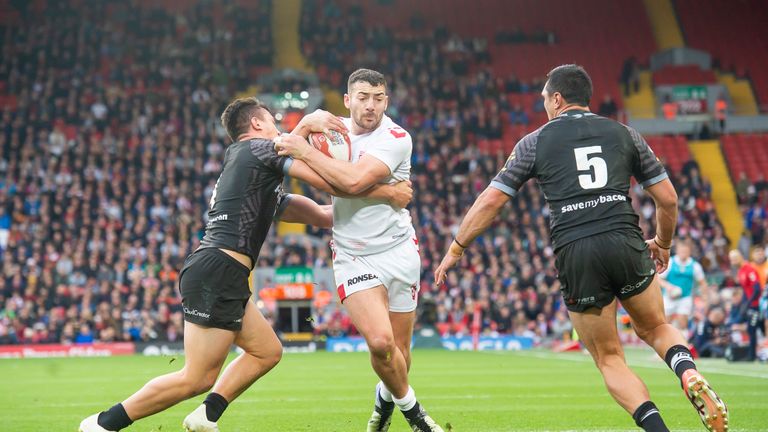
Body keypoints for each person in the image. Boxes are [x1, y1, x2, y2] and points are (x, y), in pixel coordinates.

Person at [79, 98, 413, 432]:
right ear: (256, 125)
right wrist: (388, 193)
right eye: (273, 122)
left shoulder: (250, 166)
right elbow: (332, 183)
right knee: (195, 378)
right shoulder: (259, 149)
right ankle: (104, 424)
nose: (281, 131)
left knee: (266, 351)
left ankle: (206, 415)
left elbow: (324, 210)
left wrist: (307, 131)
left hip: (224, 272)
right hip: (218, 270)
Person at [434, 65, 728, 432]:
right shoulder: (625, 133)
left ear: (557, 98)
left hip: (577, 251)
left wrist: (457, 247)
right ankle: (687, 372)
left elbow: (490, 202)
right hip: (626, 240)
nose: (543, 104)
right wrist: (663, 243)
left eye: (544, 97)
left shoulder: (535, 141)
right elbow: (668, 199)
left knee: (609, 358)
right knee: (656, 327)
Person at [275, 68, 444, 432]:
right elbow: (282, 146)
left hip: (399, 250)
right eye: (363, 97)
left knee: (399, 353)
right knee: (381, 343)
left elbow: (350, 180)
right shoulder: (328, 127)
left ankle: (384, 403)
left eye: (379, 98)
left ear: (387, 100)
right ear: (348, 100)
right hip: (353, 254)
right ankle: (418, 418)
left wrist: (304, 151)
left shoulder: (396, 137)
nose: (371, 106)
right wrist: (305, 124)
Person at [659, 239, 707, 335]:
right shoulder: (670, 262)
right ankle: (661, 349)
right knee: (665, 323)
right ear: (677, 251)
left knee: (683, 323)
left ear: (689, 251)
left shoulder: (695, 265)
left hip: (685, 297)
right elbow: (659, 279)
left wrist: (704, 298)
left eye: (685, 251)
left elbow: (703, 283)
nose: (683, 253)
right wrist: (668, 286)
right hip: (669, 297)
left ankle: (683, 347)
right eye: (681, 251)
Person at [729, 249, 764, 361]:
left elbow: (757, 289)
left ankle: (752, 355)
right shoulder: (741, 271)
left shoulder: (749, 269)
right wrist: (743, 305)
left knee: (755, 328)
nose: (733, 261)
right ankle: (752, 355)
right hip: (751, 304)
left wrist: (748, 304)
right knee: (752, 329)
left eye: (734, 259)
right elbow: (746, 291)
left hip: (757, 304)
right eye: (731, 259)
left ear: (740, 257)